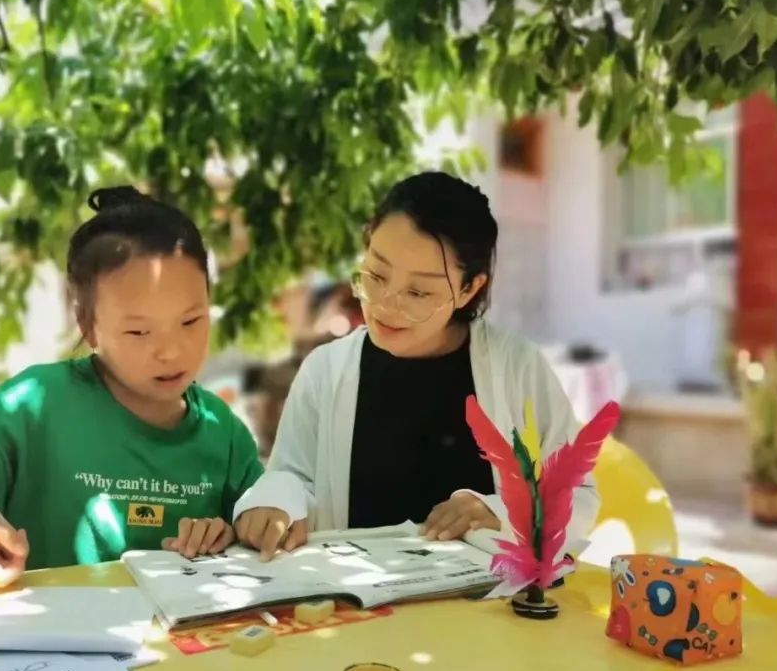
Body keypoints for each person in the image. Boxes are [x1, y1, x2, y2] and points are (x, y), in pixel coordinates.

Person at [0, 187, 263, 586]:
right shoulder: (34, 406)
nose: (170, 351)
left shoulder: (224, 434)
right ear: (88, 326)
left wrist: (232, 536)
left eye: (191, 321)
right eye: (138, 331)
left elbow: (266, 539)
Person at [233, 171, 599, 560]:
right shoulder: (325, 370)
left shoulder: (517, 367)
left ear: (469, 288)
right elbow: (291, 478)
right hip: (356, 595)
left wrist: (498, 512)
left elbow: (576, 494)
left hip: (484, 598)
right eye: (376, 275)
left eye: (418, 292)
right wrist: (275, 504)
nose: (386, 305)